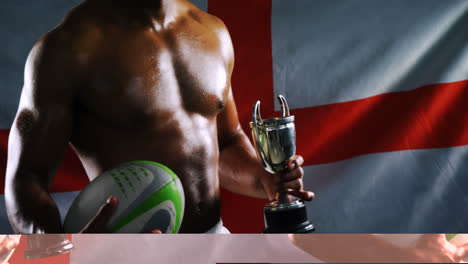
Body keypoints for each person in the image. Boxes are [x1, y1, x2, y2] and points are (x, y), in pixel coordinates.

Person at [4, 0, 313, 234]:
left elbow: (225, 141)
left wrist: (265, 179)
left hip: (214, 240)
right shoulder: (67, 50)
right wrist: (60, 250)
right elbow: (25, 179)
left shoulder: (211, 31)